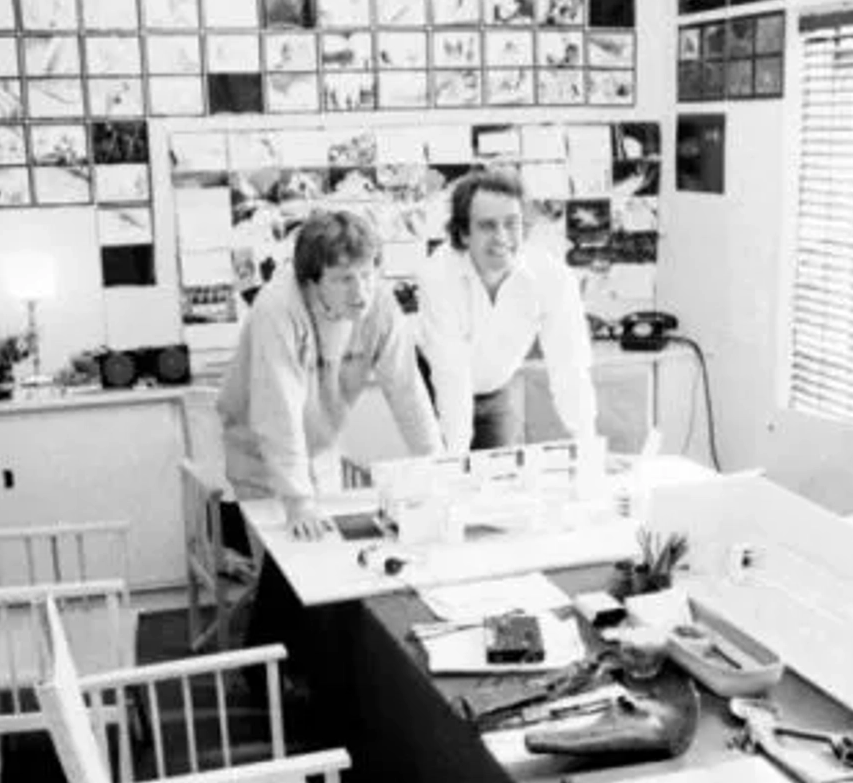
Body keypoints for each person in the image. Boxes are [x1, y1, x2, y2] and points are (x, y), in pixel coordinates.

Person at [216, 209, 440, 542]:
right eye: (343, 279)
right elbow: (277, 413)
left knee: (330, 560)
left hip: (321, 450)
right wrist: (298, 501)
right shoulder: (277, 309)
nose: (360, 292)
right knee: (283, 566)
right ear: (311, 281)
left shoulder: (379, 305)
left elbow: (407, 391)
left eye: (366, 274)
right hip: (259, 455)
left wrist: (437, 470)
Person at [416, 166, 598, 452]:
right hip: (433, 384)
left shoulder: (552, 278)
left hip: (495, 388)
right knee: (442, 478)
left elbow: (570, 364)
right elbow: (451, 374)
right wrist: (453, 461)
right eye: (487, 225)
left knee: (498, 481)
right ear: (464, 233)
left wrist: (586, 443)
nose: (501, 237)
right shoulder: (438, 275)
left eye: (511, 223)